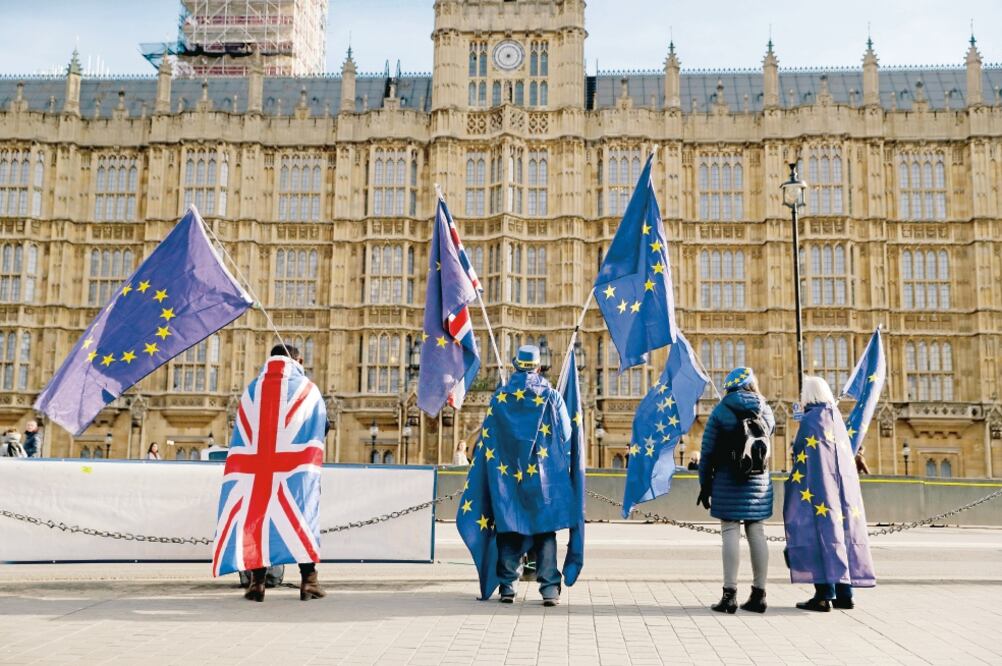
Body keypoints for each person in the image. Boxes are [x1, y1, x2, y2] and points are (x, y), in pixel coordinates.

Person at [212, 344, 328, 602]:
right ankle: (309, 581)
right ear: (297, 359)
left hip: (254, 471)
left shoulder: (252, 389)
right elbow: (323, 424)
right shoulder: (307, 389)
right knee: (300, 516)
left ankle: (257, 583)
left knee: (256, 519)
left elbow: (241, 428)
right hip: (294, 470)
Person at [486, 345, 575, 606]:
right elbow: (566, 435)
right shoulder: (552, 396)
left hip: (508, 473)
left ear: (515, 366)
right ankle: (549, 589)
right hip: (543, 474)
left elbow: (489, 436)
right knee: (544, 529)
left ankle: (507, 587)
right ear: (538, 367)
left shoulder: (500, 397)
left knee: (510, 525)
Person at [784, 376, 876, 611]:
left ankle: (824, 594)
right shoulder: (836, 418)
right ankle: (845, 594)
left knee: (818, 536)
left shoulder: (810, 420)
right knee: (841, 535)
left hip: (818, 490)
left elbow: (798, 451)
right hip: (842, 493)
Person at [697, 366, 775, 614]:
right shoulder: (765, 408)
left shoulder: (721, 411)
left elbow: (707, 452)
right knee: (757, 532)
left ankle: (729, 596)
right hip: (758, 480)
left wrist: (704, 484)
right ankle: (759, 595)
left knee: (730, 532)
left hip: (728, 480)